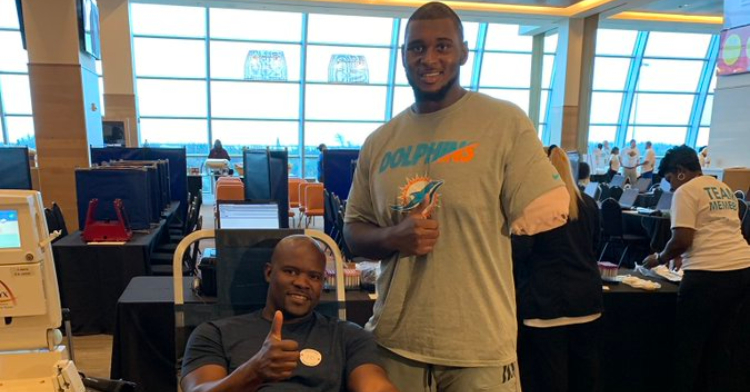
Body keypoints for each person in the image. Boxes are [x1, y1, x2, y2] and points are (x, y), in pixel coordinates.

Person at [343, 2, 569, 390]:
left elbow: (550, 209)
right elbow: (352, 231)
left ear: (464, 52)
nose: (428, 58)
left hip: (479, 348)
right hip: (395, 342)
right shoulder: (379, 142)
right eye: (417, 48)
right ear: (403, 56)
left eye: (442, 46)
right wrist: (391, 237)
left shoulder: (504, 122)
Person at [180, 235, 399, 392]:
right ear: (269, 272)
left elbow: (375, 385)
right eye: (291, 271)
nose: (302, 283)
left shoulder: (349, 336)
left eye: (314, 277)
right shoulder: (214, 334)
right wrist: (255, 372)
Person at [641, 145, 750, 392]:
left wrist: (658, 258)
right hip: (742, 269)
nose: (670, 187)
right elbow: (715, 230)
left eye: (669, 179)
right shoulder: (722, 188)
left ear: (680, 171)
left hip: (708, 276)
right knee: (719, 347)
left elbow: (682, 240)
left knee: (688, 350)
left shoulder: (686, 191)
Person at [513, 145, 603, 392]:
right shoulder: (589, 204)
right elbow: (594, 246)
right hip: (586, 303)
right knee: (584, 379)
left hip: (544, 306)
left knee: (546, 381)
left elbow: (519, 253)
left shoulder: (532, 206)